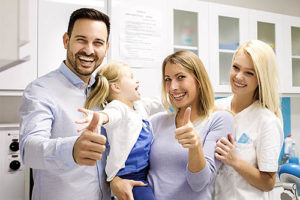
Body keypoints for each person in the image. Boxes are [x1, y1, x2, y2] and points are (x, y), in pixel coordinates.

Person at [110, 50, 235, 200]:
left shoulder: (219, 119)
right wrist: (115, 181)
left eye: (181, 77)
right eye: (168, 79)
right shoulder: (156, 122)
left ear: (199, 80)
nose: (172, 87)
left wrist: (195, 147)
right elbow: (129, 160)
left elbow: (199, 183)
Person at [19, 8, 111, 200]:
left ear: (106, 48)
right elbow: (29, 149)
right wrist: (72, 149)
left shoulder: (105, 90)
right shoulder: (40, 90)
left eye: (98, 43)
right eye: (81, 40)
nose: (89, 50)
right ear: (66, 41)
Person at [76, 61, 163, 200]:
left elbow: (160, 102)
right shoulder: (118, 107)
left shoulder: (139, 106)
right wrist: (99, 118)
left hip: (144, 171)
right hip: (127, 175)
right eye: (131, 77)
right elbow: (110, 115)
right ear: (116, 87)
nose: (137, 80)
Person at [213, 40, 284, 200]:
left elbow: (268, 182)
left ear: (260, 79)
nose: (238, 76)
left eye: (249, 73)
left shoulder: (267, 121)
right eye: (236, 68)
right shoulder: (215, 108)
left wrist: (234, 161)